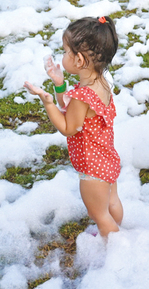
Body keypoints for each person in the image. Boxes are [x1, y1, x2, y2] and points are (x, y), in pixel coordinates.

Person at [24, 16, 122, 237]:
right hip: (107, 159)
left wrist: (48, 103)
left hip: (92, 168)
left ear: (79, 60)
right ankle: (120, 232)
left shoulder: (82, 96)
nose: (63, 56)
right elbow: (71, 110)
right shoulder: (100, 83)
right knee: (112, 202)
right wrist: (59, 84)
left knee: (99, 214)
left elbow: (68, 127)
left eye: (66, 51)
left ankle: (116, 246)